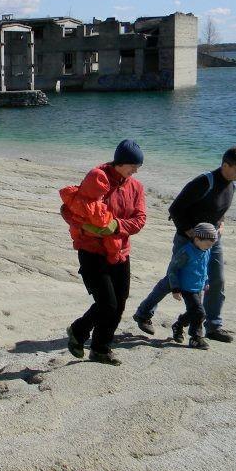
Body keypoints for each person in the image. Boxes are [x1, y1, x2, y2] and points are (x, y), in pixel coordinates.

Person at [133, 145, 236, 343]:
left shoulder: (232, 185)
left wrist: (220, 225)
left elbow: (219, 211)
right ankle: (144, 313)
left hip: (213, 241)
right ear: (225, 165)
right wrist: (191, 234)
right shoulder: (204, 182)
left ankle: (213, 326)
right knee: (173, 280)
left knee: (217, 280)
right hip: (187, 240)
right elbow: (175, 208)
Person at [63, 139, 147, 366]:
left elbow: (140, 220)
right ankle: (81, 332)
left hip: (120, 251)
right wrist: (85, 227)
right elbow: (70, 209)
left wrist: (117, 226)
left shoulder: (136, 187)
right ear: (121, 163)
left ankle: (99, 347)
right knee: (107, 303)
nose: (136, 171)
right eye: (133, 166)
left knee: (119, 303)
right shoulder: (97, 179)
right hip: (92, 251)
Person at [156, 223, 219, 350]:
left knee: (193, 312)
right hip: (186, 288)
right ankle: (195, 338)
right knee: (200, 312)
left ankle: (178, 325)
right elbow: (173, 270)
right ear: (197, 239)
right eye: (207, 244)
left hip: (198, 287)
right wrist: (175, 288)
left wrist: (206, 282)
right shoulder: (186, 252)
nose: (209, 247)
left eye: (211, 245)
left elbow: (204, 268)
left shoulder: (206, 250)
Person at [59, 169, 126, 264]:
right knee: (113, 240)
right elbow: (102, 222)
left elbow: (65, 207)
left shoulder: (74, 195)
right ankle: (114, 255)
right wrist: (110, 215)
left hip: (77, 229)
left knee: (76, 232)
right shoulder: (94, 206)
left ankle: (77, 242)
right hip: (93, 236)